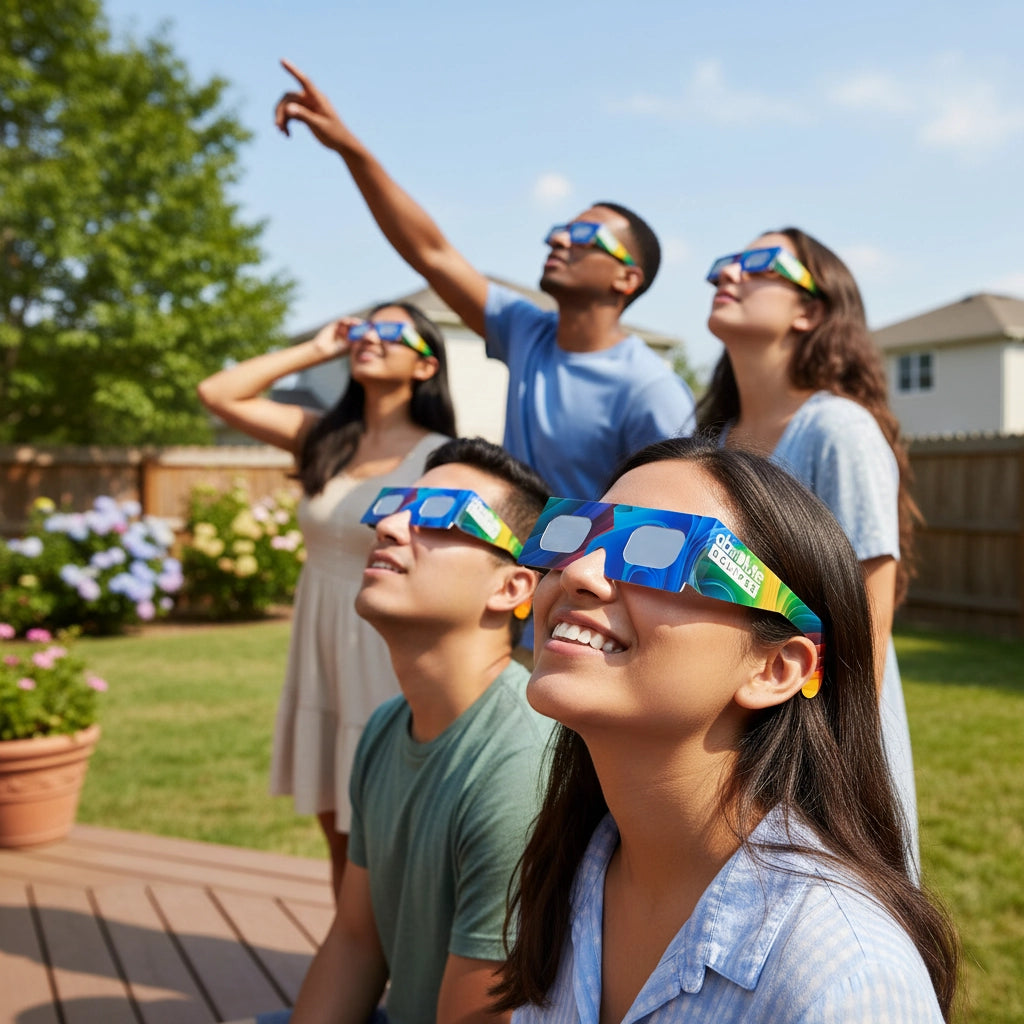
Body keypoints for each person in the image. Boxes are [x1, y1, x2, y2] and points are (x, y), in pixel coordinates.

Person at [494, 437, 959, 1022]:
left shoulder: (845, 977)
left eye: (659, 551)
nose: (580, 573)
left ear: (775, 668)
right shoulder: (565, 878)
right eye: (575, 536)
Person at [273, 60, 695, 500]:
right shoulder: (526, 333)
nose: (561, 240)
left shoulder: (650, 389)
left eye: (586, 236)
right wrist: (349, 149)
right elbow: (431, 253)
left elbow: (671, 512)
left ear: (627, 278)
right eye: (559, 231)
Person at [279, 436, 553, 1024]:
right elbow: (356, 942)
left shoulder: (518, 771)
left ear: (512, 588)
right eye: (391, 506)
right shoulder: (386, 727)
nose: (391, 527)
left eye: (440, 514)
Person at [197, 302, 455, 897]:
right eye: (364, 328)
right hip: (317, 640)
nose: (371, 337)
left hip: (384, 643)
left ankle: (396, 962)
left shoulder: (446, 456)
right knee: (332, 820)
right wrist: (318, 349)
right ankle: (351, 960)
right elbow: (218, 392)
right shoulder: (324, 437)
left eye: (392, 331)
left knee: (383, 821)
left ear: (425, 366)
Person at [696, 228, 922, 873]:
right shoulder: (708, 443)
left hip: (814, 740)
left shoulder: (837, 428)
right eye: (723, 263)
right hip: (726, 724)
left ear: (810, 312)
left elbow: (867, 614)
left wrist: (835, 770)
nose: (728, 275)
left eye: (759, 264)